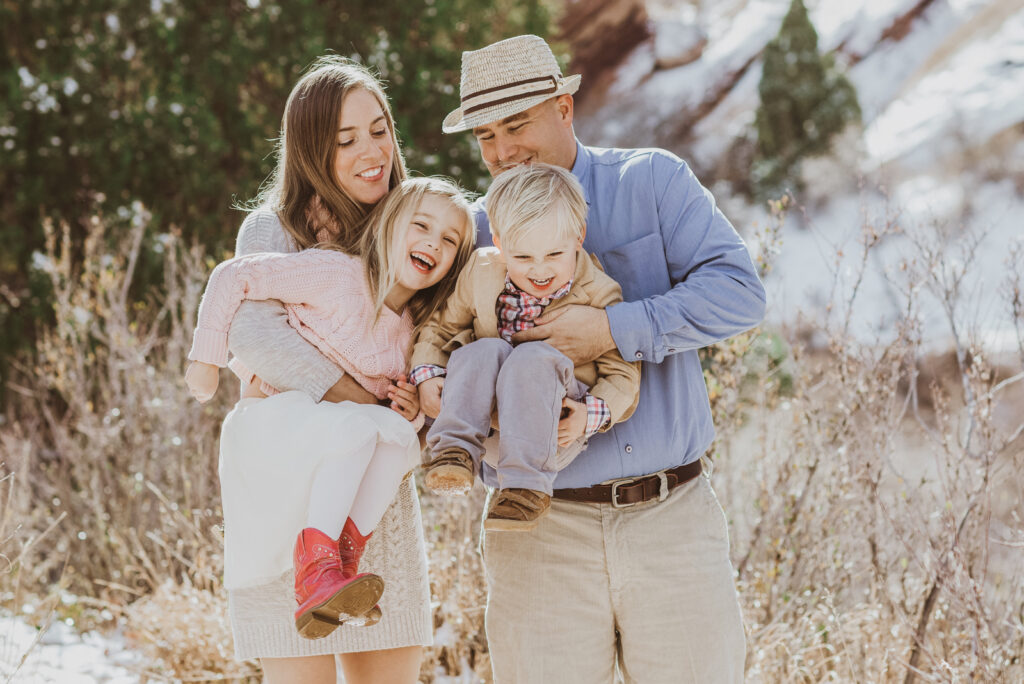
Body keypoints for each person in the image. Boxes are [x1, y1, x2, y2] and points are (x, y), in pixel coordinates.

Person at [440, 35, 767, 683]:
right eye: (485, 136)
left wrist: (613, 329)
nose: (502, 152)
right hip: (535, 535)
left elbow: (740, 294)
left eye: (516, 125)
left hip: (672, 522)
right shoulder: (474, 234)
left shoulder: (651, 181)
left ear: (564, 108)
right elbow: (436, 351)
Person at [212, 56, 434, 684]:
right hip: (286, 490)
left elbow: (440, 339)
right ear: (309, 151)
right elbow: (255, 333)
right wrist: (366, 402)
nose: (373, 151)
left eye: (379, 129)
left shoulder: (414, 232)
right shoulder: (273, 230)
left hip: (373, 503)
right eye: (345, 140)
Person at [185, 176, 474, 634]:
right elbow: (234, 275)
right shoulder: (338, 272)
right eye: (421, 226)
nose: (432, 244)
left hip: (334, 428)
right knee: (358, 429)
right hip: (280, 413)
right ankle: (315, 568)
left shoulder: (413, 330)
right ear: (388, 225)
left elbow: (400, 410)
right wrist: (206, 358)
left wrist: (407, 409)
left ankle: (340, 561)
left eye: (448, 240)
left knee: (400, 441)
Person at [409, 163, 640, 531]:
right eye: (522, 258)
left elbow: (623, 373)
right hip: (490, 428)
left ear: (578, 237)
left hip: (552, 427)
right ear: (499, 243)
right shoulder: (481, 270)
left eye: (553, 255)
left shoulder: (598, 292)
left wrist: (588, 416)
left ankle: (525, 490)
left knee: (531, 358)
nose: (539, 271)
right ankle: (454, 451)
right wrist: (427, 375)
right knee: (484, 349)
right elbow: (441, 327)